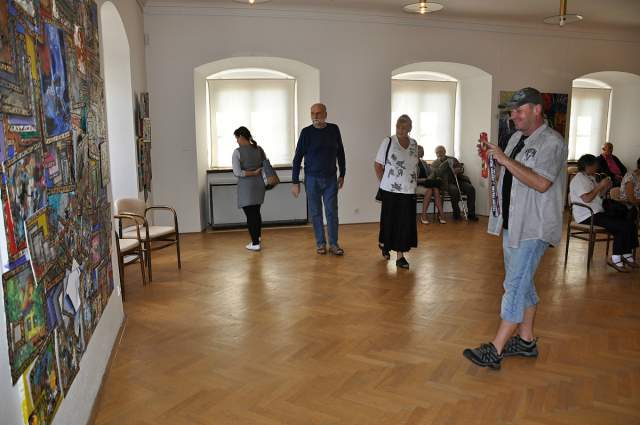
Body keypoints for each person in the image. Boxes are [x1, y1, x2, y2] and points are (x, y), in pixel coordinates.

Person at [463, 87, 568, 369]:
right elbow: (506, 176)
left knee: (514, 285)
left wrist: (505, 159)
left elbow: (541, 183)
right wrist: (491, 160)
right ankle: (525, 341)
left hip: (534, 227)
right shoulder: (514, 139)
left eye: (519, 110)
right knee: (522, 282)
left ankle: (496, 349)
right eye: (511, 111)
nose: (513, 116)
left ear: (537, 110)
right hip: (512, 223)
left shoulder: (552, 142)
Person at [291, 103, 346, 255]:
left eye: (318, 113)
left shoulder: (334, 129)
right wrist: (295, 182)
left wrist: (342, 174)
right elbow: (297, 158)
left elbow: (340, 153)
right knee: (316, 213)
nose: (315, 116)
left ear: (325, 114)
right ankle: (320, 243)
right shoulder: (306, 133)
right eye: (312, 113)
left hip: (330, 179)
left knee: (331, 212)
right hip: (311, 179)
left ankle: (334, 244)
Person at [570, 154, 639, 272]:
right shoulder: (578, 179)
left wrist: (605, 188)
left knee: (628, 222)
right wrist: (600, 186)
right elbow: (587, 199)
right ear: (588, 166)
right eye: (595, 165)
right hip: (587, 215)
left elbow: (598, 196)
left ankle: (626, 254)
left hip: (597, 212)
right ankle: (615, 258)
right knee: (621, 226)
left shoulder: (590, 177)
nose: (597, 167)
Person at [374, 115, 419, 269]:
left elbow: (414, 165)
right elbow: (378, 165)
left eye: (404, 127)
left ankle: (400, 256)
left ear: (410, 128)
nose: (400, 130)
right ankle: (385, 245)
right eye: (398, 126)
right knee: (389, 220)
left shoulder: (414, 144)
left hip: (409, 190)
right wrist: (384, 183)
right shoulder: (388, 141)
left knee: (404, 223)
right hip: (390, 190)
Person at [232, 126, 265, 251]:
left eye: (237, 138)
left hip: (247, 187)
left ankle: (255, 243)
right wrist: (256, 172)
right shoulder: (259, 149)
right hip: (259, 185)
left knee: (250, 215)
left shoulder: (237, 152)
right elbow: (265, 164)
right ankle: (258, 237)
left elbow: (237, 172)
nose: (236, 141)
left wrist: (252, 173)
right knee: (256, 212)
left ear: (241, 136)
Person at [431, 145, 478, 221]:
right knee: (454, 190)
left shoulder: (452, 159)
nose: (439, 154)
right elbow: (437, 174)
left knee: (471, 188)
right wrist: (445, 164)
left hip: (459, 180)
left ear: (445, 152)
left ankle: (471, 214)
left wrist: (459, 170)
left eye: (441, 152)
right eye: (437, 153)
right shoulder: (435, 164)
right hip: (447, 183)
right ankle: (456, 213)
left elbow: (461, 169)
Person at [415, 145, 445, 224]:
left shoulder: (423, 162)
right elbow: (411, 179)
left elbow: (431, 173)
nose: (420, 152)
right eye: (418, 151)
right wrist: (423, 180)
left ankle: (441, 213)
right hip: (416, 185)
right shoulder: (411, 163)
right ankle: (423, 215)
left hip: (426, 184)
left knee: (436, 189)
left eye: (421, 151)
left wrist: (430, 177)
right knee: (429, 191)